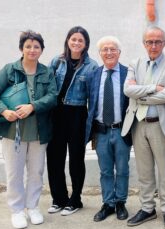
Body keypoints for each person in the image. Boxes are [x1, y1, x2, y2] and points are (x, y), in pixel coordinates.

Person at [0, 30, 57, 229]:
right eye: (28, 46)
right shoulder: (9, 70)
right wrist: (4, 111)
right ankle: (17, 210)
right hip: (11, 132)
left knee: (36, 172)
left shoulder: (46, 72)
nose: (32, 50)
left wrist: (33, 106)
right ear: (21, 49)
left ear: (41, 50)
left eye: (36, 46)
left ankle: (32, 207)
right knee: (14, 173)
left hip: (39, 132)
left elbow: (52, 96)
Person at [122, 26, 165, 229]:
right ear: (144, 44)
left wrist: (140, 96)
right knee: (144, 171)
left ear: (164, 43)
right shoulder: (135, 63)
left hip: (161, 125)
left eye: (158, 41)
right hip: (138, 125)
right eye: (150, 42)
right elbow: (127, 90)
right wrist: (152, 89)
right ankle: (147, 208)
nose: (154, 45)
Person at [46, 26, 98, 216]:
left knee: (76, 159)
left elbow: (93, 99)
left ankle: (75, 200)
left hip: (77, 114)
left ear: (86, 44)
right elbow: (49, 89)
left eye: (80, 40)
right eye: (73, 39)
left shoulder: (91, 66)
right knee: (54, 158)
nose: (76, 43)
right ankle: (58, 198)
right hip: (56, 114)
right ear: (68, 40)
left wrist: (91, 126)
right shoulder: (57, 61)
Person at [85, 36, 131, 222]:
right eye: (105, 49)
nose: (109, 52)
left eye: (113, 49)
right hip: (101, 131)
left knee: (122, 169)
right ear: (100, 53)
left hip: (121, 130)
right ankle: (108, 203)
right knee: (105, 170)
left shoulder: (129, 74)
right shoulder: (93, 75)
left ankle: (120, 202)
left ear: (119, 52)